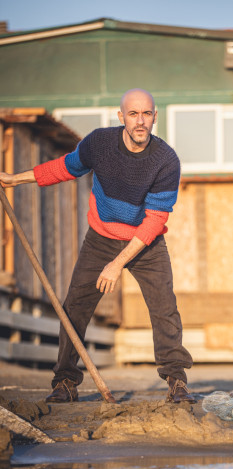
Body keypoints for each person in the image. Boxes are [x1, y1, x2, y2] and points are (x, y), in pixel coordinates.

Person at [0, 88, 195, 404]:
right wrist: (13, 179)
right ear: (121, 117)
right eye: (133, 114)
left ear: (155, 117)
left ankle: (176, 381)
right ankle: (65, 382)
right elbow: (64, 167)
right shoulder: (99, 144)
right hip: (100, 238)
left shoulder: (166, 161)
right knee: (75, 306)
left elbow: (154, 222)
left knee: (164, 308)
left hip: (146, 243)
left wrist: (118, 264)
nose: (140, 121)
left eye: (147, 113)